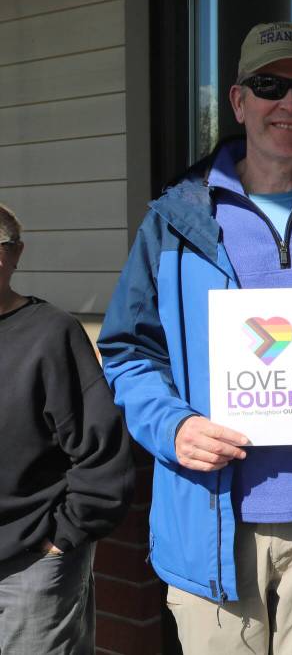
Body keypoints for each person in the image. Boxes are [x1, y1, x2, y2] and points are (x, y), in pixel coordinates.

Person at [98, 22, 292, 654]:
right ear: (239, 102)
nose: (287, 104)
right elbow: (129, 351)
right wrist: (175, 426)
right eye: (269, 85)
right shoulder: (175, 220)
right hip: (210, 520)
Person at [0, 204, 134, 653]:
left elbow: (103, 451)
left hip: (29, 565)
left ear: (16, 253)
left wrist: (64, 537)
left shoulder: (51, 334)